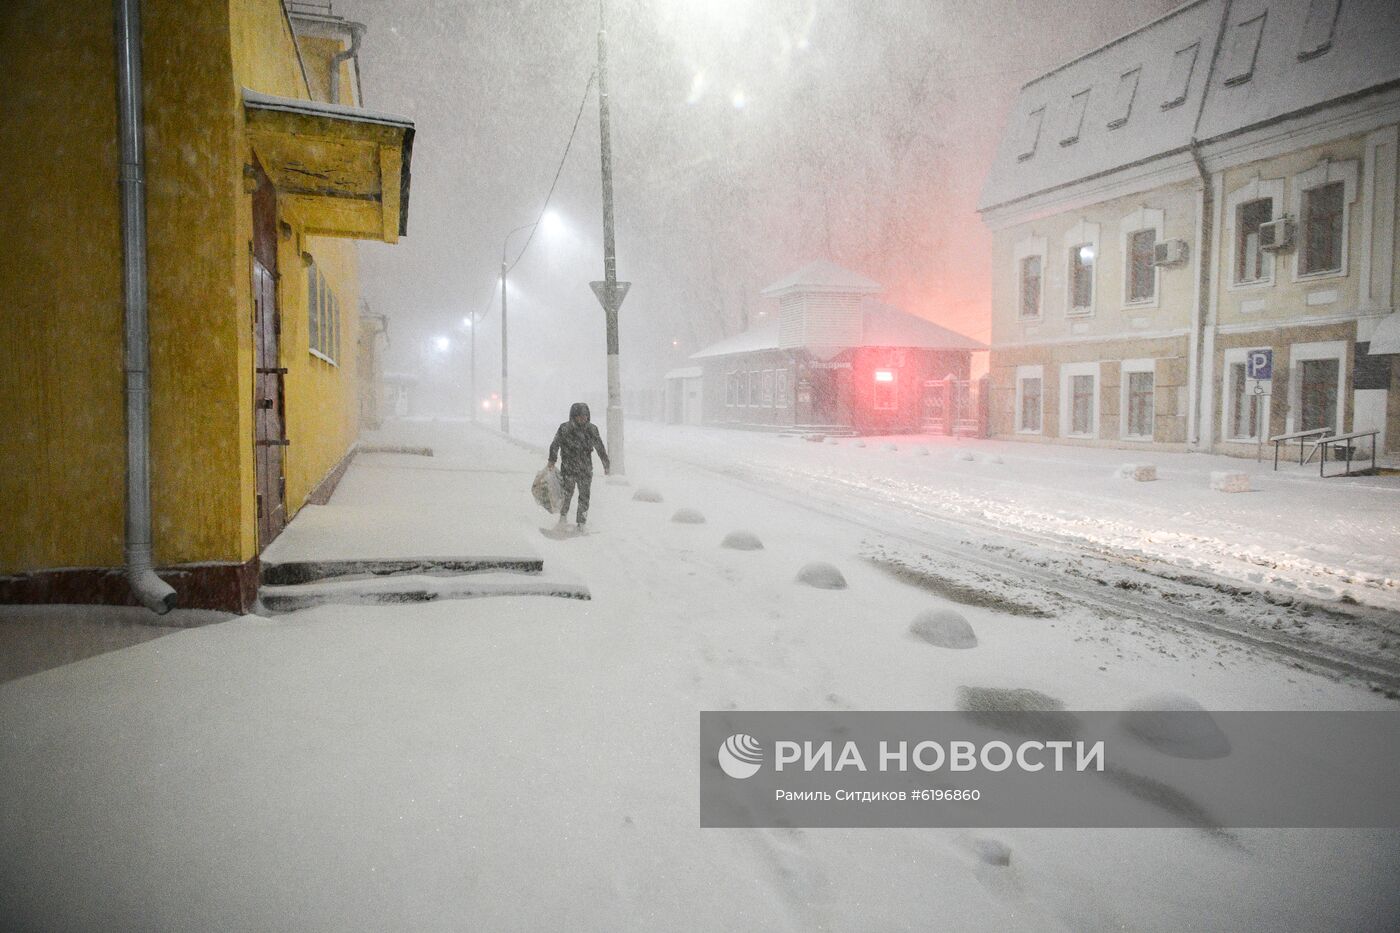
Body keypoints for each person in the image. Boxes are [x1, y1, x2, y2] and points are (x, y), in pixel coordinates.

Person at [547, 402, 610, 530]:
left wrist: (606, 464)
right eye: (580, 416)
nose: (583, 418)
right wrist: (552, 460)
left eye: (585, 416)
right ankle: (563, 517)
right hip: (568, 468)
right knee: (567, 494)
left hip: (585, 469)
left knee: (584, 496)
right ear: (573, 416)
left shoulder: (592, 429)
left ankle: (581, 522)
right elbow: (555, 444)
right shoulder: (564, 428)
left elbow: (600, 447)